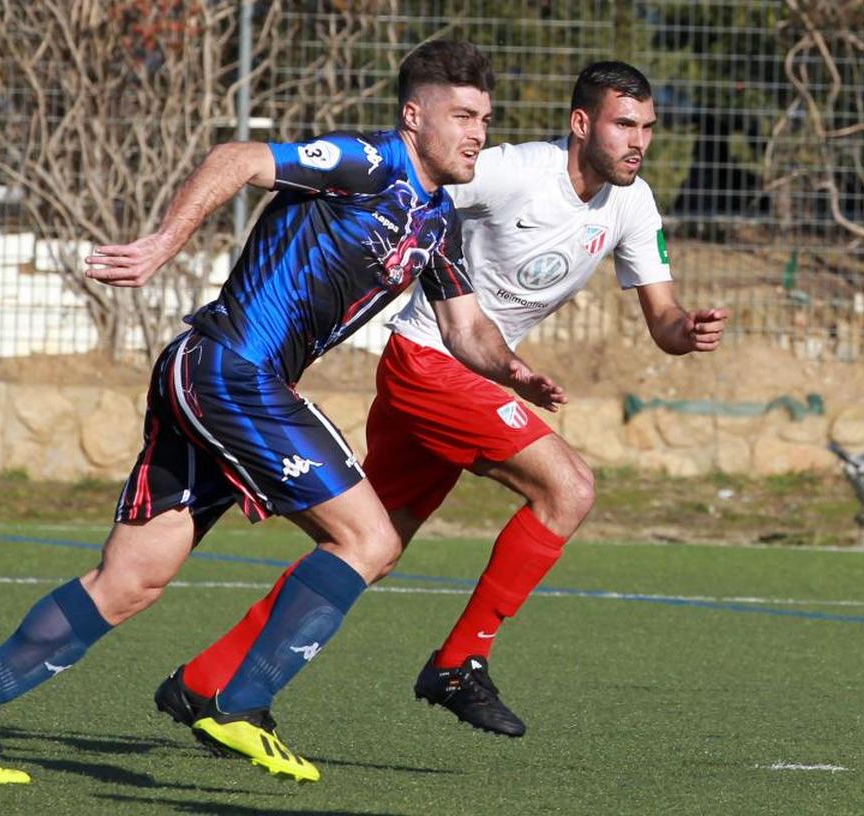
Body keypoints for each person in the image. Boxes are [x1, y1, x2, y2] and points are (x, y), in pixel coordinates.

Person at [0, 40, 566, 785]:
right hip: (233, 371)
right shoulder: (368, 161)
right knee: (370, 538)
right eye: (462, 115)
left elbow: (466, 331)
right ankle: (238, 702)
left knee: (132, 578)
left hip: (214, 380)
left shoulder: (438, 220)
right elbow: (239, 157)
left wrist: (513, 371)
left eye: (485, 117)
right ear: (414, 116)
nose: (478, 131)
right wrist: (163, 244)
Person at [153, 61, 727, 740]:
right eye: (624, 124)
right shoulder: (515, 171)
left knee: (372, 546)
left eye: (648, 128)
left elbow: (662, 321)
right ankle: (459, 663)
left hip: (472, 374)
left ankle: (204, 680)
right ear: (581, 125)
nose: (639, 140)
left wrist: (684, 330)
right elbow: (423, 191)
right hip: (429, 361)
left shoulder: (633, 203)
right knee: (568, 487)